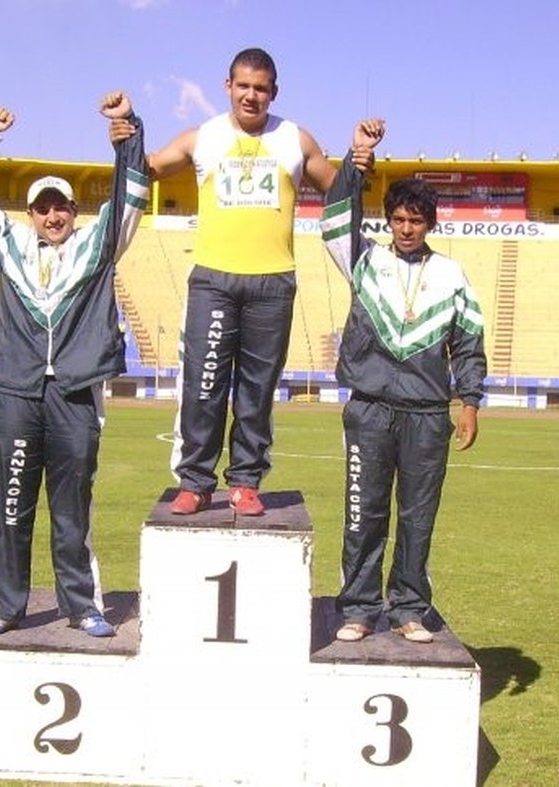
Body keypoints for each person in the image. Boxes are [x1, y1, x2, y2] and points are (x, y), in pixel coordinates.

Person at [0, 93, 149, 637]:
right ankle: (5, 605)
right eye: (43, 207)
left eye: (62, 206)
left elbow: (132, 191)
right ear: (30, 214)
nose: (54, 215)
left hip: (76, 391)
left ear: (75, 212)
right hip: (15, 390)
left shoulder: (98, 246)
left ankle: (82, 605)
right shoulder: (7, 245)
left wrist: (126, 131)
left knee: (71, 509)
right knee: (10, 501)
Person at [112, 47, 337, 516]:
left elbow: (339, 188)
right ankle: (195, 481)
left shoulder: (297, 139)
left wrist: (362, 161)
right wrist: (123, 132)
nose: (251, 96)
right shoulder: (204, 137)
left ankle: (246, 481)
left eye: (260, 88)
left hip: (273, 283)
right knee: (204, 383)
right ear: (227, 86)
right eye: (243, 86)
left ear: (274, 92)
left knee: (258, 390)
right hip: (214, 281)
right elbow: (149, 166)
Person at [321, 121, 487, 643]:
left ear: (429, 223)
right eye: (398, 218)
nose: (407, 228)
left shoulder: (452, 275)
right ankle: (359, 608)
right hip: (369, 407)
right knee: (363, 512)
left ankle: (410, 608)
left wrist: (471, 401)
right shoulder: (365, 261)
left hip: (425, 414)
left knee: (417, 518)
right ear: (387, 220)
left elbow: (468, 341)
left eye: (416, 220)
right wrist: (357, 161)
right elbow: (336, 217)